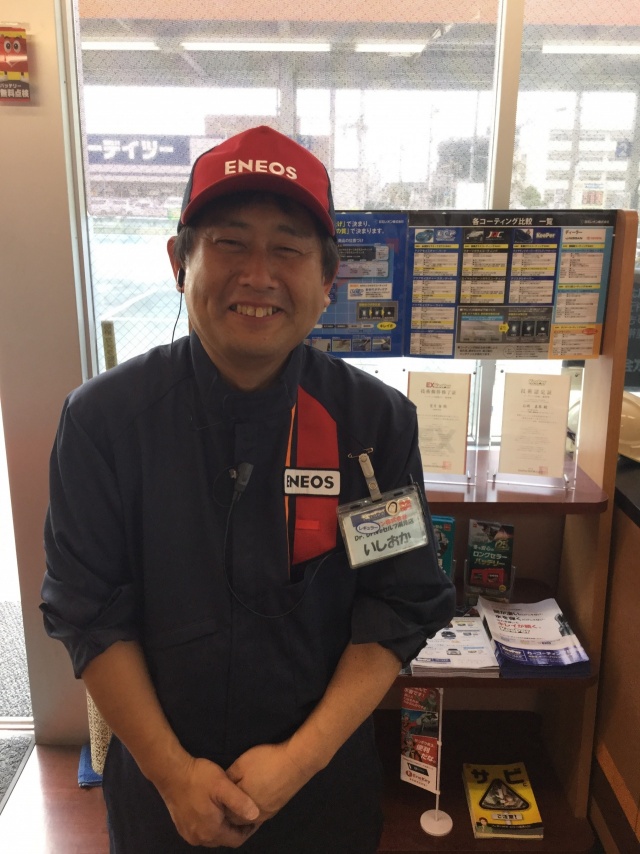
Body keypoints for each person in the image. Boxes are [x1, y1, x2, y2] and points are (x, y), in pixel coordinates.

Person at [41, 125, 455, 853]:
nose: (258, 275)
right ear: (180, 262)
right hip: (161, 795)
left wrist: (297, 763)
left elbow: (399, 602)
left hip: (321, 791)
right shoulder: (103, 422)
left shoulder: (372, 424)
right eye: (230, 243)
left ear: (327, 281)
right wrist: (174, 777)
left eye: (288, 249)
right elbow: (89, 613)